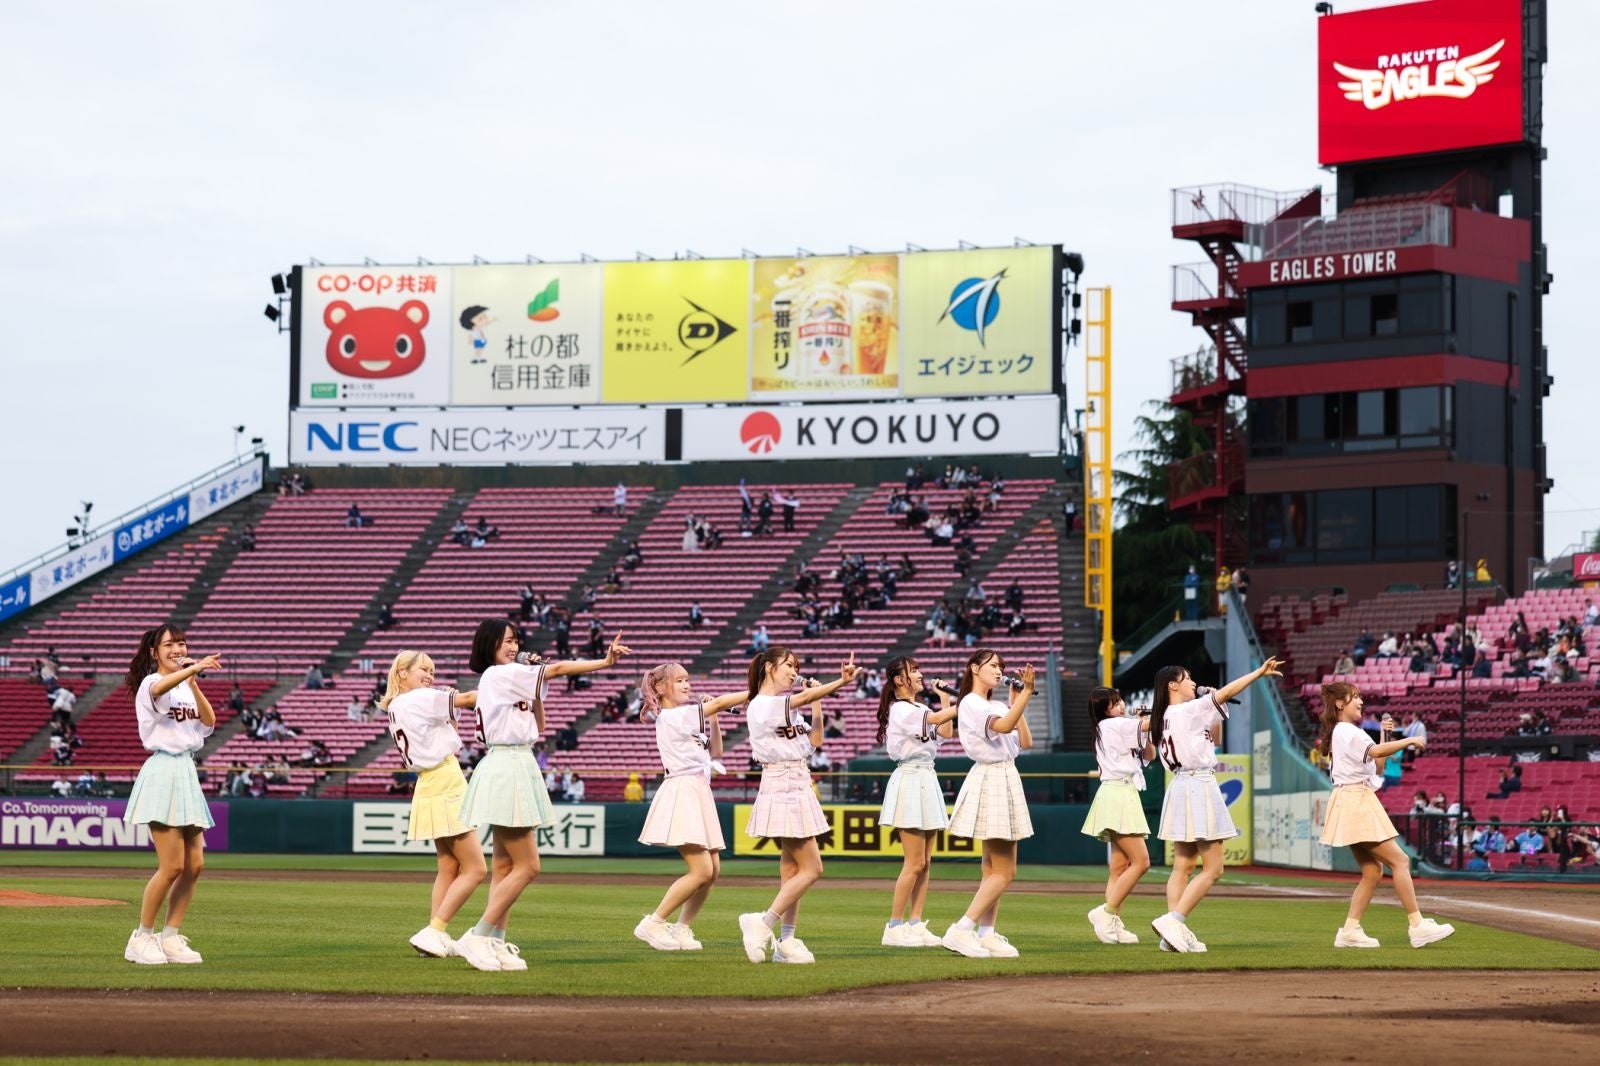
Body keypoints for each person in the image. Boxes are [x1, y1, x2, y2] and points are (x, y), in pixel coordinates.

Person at [454, 621, 632, 972]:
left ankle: (495, 940)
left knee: (505, 867)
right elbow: (561, 669)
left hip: (514, 760)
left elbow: (540, 724)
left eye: (516, 640)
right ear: (490, 644)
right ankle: (478, 935)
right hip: (509, 762)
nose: (514, 646)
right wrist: (604, 662)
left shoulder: (507, 676)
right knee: (529, 866)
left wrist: (534, 675)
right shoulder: (501, 674)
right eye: (507, 641)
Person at [1148, 658, 1283, 954]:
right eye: (1187, 678)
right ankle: (1174, 921)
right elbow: (1227, 693)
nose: (1193, 682)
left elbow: (1216, 738)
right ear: (1172, 685)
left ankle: (1173, 934)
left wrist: (1214, 705)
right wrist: (1258, 673)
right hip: (1198, 784)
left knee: (1183, 865)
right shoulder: (1186, 710)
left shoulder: (1167, 715)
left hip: (1180, 785)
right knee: (1214, 868)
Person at [736, 647, 861, 965]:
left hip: (798, 780)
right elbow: (800, 699)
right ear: (769, 668)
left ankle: (787, 940)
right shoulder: (763, 704)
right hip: (782, 781)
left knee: (792, 871)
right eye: (788, 665)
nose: (794, 671)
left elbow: (816, 741)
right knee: (813, 869)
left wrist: (818, 700)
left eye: (796, 666)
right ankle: (762, 923)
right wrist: (840, 682)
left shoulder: (786, 708)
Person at [1316, 685, 1454, 949]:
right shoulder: (1348, 730)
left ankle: (1350, 931)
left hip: (1352, 799)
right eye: (1354, 697)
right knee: (1400, 861)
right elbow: (1378, 754)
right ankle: (1417, 926)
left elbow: (1377, 766)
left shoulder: (1344, 731)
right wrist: (1408, 740)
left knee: (1372, 871)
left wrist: (1383, 735)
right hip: (1356, 800)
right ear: (1340, 704)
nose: (1360, 701)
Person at [121, 624, 222, 966]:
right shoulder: (151, 682)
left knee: (194, 864)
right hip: (163, 770)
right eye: (169, 645)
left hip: (186, 770)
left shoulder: (185, 685)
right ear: (154, 652)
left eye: (181, 643)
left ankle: (171, 937)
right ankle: (141, 937)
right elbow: (159, 687)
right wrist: (192, 669)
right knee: (172, 865)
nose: (177, 649)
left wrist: (193, 681)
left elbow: (208, 722)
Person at [377, 650, 485, 963]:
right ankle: (434, 930)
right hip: (445, 779)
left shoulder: (397, 705)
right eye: (423, 669)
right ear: (402, 672)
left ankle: (434, 936)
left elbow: (444, 727)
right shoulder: (418, 698)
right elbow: (469, 699)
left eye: (432, 671)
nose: (430, 676)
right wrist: (506, 686)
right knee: (476, 869)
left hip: (428, 780)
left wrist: (450, 709)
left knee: (449, 866)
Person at [631, 664, 747, 952]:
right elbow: (719, 702)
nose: (687, 685)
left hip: (698, 789)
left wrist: (714, 717)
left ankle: (682, 927)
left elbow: (716, 751)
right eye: (679, 680)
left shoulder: (687, 716)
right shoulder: (673, 715)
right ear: (660, 688)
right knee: (702, 870)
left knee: (713, 869)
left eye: (687, 680)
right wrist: (757, 689)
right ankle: (653, 922)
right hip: (683, 789)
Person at [941, 649, 1036, 960]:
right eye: (993, 665)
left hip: (1004, 775)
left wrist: (1017, 702)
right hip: (992, 775)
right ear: (974, 668)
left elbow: (1026, 741)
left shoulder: (996, 705)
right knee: (1005, 871)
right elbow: (1004, 727)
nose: (999, 670)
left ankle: (986, 932)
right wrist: (1026, 694)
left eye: (1001, 666)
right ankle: (961, 929)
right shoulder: (970, 702)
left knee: (992, 869)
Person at [877, 657, 958, 948]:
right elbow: (936, 721)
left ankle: (915, 923)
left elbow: (946, 732)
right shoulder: (899, 709)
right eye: (913, 671)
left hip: (926, 776)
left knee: (925, 863)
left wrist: (945, 698)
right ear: (899, 679)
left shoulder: (921, 707)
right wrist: (968, 702)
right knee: (913, 862)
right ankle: (893, 926)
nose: (920, 674)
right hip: (910, 776)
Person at [1082, 687, 1154, 946]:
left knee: (1119, 867)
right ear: (1104, 710)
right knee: (1142, 862)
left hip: (1123, 792)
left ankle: (1113, 921)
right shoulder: (1112, 724)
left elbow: (1149, 755)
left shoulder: (1119, 726)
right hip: (1118, 793)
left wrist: (1143, 726)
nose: (1121, 705)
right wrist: (1155, 715)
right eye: (1114, 703)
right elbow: (1150, 724)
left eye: (1120, 700)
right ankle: (1106, 913)